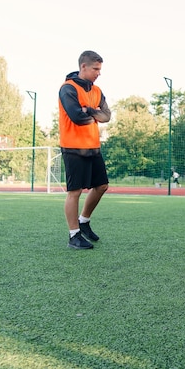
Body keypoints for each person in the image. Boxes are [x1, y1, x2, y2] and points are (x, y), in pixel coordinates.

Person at [58, 50, 111, 249]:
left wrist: (88, 110)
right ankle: (74, 236)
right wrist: (94, 114)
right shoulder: (67, 89)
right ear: (83, 67)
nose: (99, 73)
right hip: (73, 147)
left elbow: (107, 116)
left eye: (100, 69)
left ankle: (84, 221)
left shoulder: (97, 91)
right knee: (75, 191)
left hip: (93, 146)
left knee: (102, 186)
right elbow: (76, 118)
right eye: (96, 69)